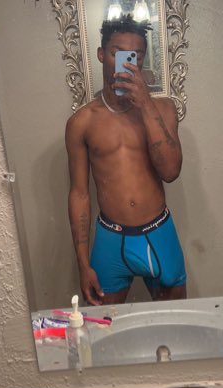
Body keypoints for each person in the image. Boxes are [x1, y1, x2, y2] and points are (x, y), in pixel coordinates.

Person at [66, 15, 186, 306]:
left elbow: (171, 171)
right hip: (110, 238)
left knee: (176, 323)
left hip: (158, 233)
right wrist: (83, 264)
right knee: (103, 327)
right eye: (116, 53)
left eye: (135, 56)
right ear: (101, 54)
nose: (126, 63)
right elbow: (79, 194)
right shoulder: (82, 122)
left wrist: (145, 104)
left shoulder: (163, 109)